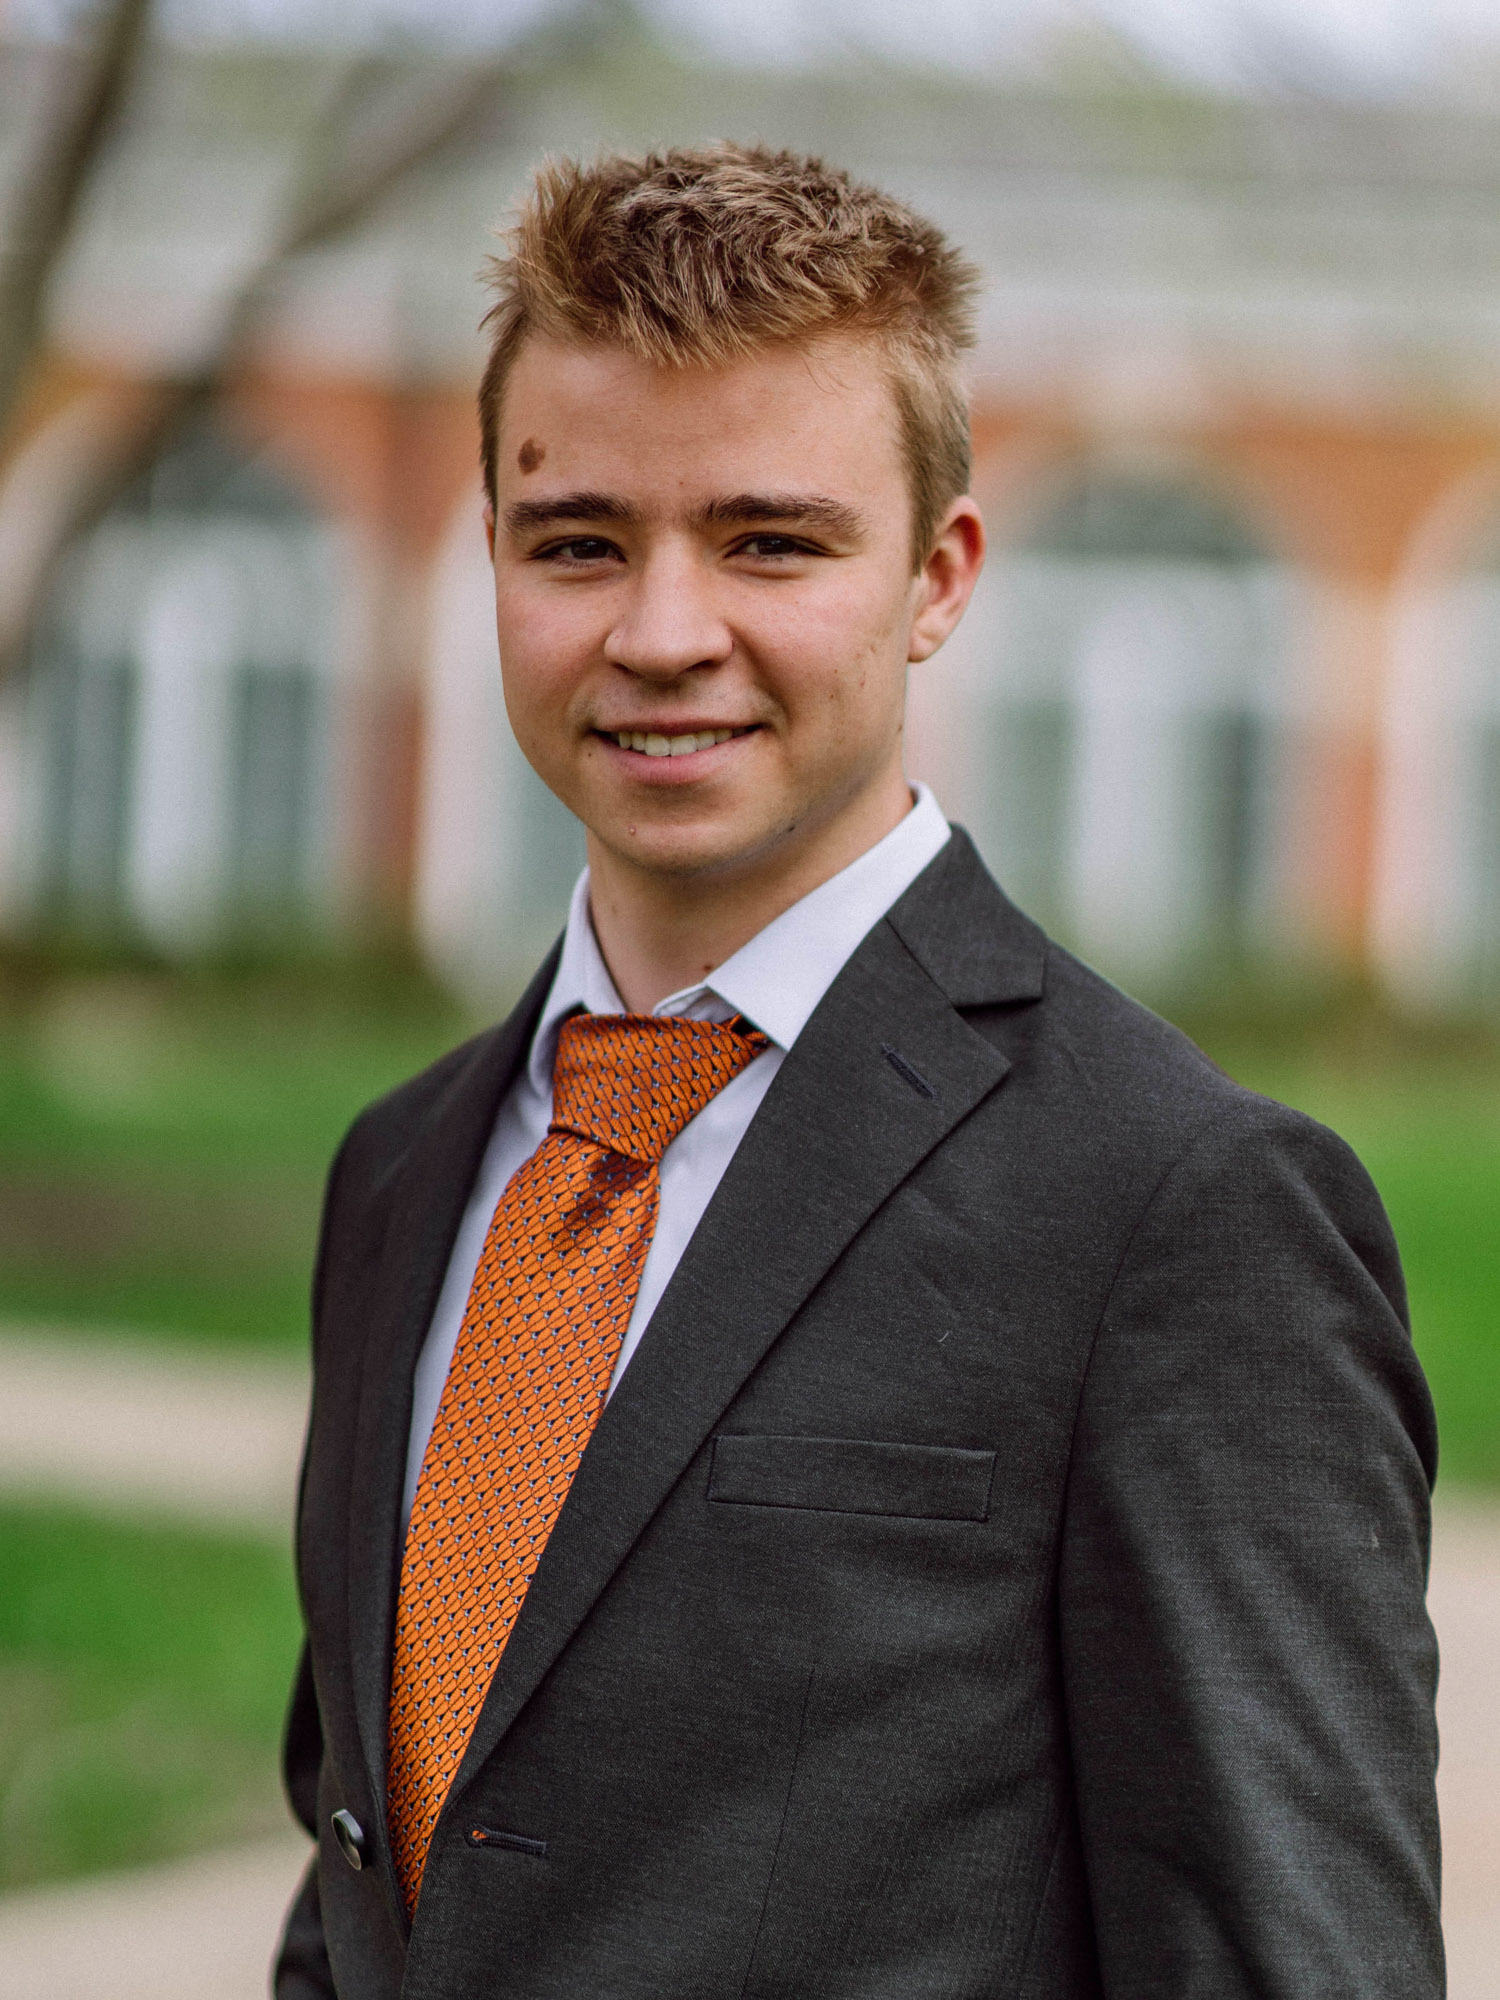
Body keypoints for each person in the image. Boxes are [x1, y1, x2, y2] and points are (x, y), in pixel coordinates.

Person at [274, 143, 1441, 2000]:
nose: (663, 633)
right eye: (578, 539)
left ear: (937, 575)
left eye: (770, 539)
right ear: (490, 553)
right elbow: (378, 1872)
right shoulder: (404, 1171)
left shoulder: (1178, 1214)